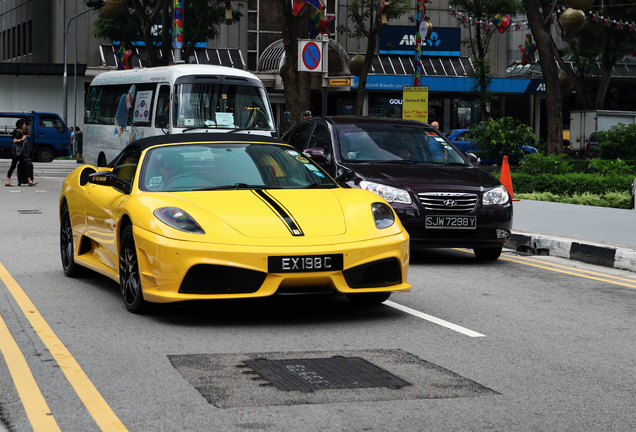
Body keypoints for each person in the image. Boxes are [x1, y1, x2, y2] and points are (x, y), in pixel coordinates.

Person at [6, 119, 37, 186]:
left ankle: (8, 181)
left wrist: (23, 141)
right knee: (21, 166)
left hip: (18, 153)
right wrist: (22, 139)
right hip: (18, 153)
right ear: (20, 125)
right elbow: (14, 141)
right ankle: (29, 181)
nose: (25, 126)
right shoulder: (18, 132)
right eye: (24, 124)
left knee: (16, 166)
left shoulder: (19, 131)